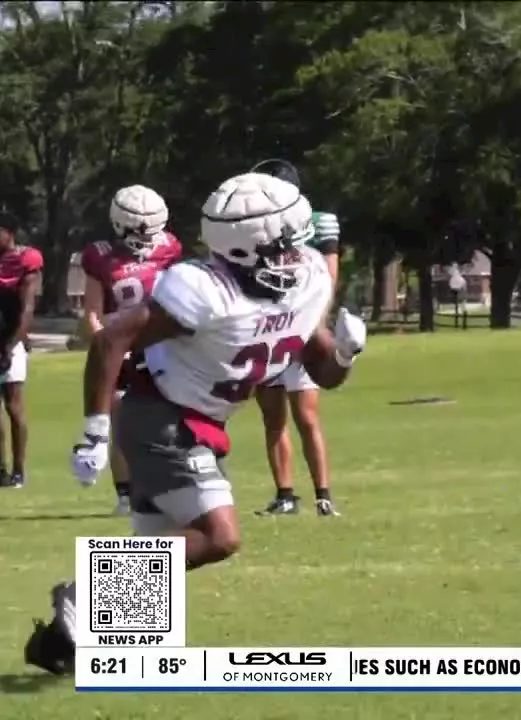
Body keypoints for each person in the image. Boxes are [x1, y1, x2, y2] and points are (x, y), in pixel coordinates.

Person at [23, 172, 368, 676]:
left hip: (201, 421)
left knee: (144, 603)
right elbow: (109, 340)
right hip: (161, 417)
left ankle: (56, 647)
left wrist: (346, 352)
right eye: (286, 245)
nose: (299, 255)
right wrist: (96, 429)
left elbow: (323, 372)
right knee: (219, 535)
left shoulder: (307, 278)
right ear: (248, 248)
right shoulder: (204, 288)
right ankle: (80, 593)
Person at [247, 159, 344, 517]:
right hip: (269, 330)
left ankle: (323, 493)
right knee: (273, 419)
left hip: (301, 328)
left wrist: (314, 322)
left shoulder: (318, 222)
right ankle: (285, 494)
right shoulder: (251, 227)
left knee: (307, 417)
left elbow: (330, 277)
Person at [79, 185, 184, 513]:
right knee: (123, 420)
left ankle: (164, 487)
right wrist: (109, 351)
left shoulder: (169, 247)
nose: (149, 237)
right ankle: (126, 494)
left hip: (158, 345)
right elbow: (93, 314)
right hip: (119, 345)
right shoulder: (100, 256)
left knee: (168, 419)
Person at [0, 213, 42, 489]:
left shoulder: (26, 260)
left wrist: (11, 344)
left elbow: (27, 309)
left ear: (9, 232)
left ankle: (18, 470)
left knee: (13, 407)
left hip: (10, 342)